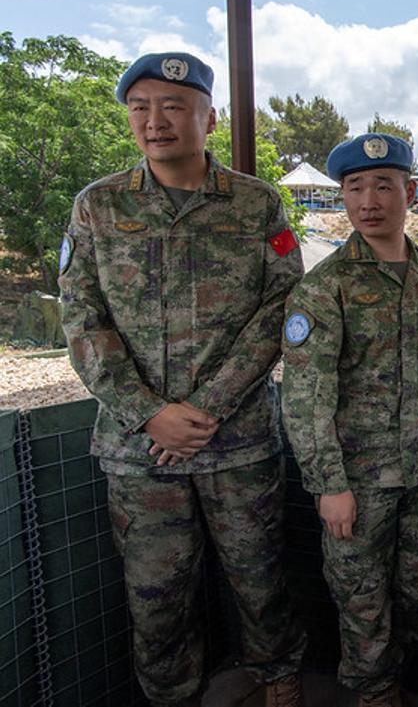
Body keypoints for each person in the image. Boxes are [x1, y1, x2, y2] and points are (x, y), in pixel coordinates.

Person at [58, 52, 307, 707]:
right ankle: (170, 695)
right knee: (155, 591)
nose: (154, 120)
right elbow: (82, 320)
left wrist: (207, 407)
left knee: (260, 574)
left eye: (173, 105)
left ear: (210, 117)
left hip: (239, 441)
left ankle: (278, 677)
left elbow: (286, 306)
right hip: (140, 450)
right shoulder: (97, 207)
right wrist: (150, 413)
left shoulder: (257, 204)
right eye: (140, 106)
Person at [281, 133, 418, 707]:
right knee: (360, 598)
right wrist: (329, 485)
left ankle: (391, 680)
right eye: (354, 188)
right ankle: (373, 694)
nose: (368, 200)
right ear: (343, 197)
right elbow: (305, 396)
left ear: (410, 192)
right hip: (358, 479)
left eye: (383, 185)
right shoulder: (325, 289)